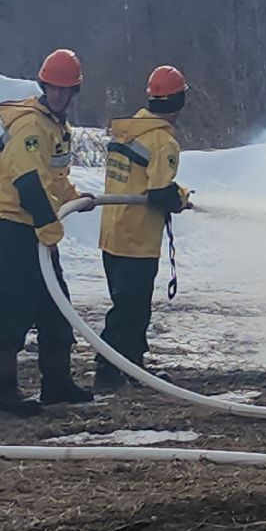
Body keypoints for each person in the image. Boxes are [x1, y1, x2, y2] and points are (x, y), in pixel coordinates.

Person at [0, 48, 94, 416]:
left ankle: (57, 382)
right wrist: (47, 223)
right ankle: (2, 390)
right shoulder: (32, 126)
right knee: (10, 302)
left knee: (54, 304)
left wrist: (76, 199)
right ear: (43, 85)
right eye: (54, 88)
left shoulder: (55, 126)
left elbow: (53, 177)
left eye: (67, 90)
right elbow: (28, 181)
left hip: (38, 222)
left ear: (75, 91)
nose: (60, 95)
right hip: (17, 223)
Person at [93, 65, 193, 391]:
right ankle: (107, 372)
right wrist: (180, 198)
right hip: (136, 238)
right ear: (180, 102)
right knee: (129, 311)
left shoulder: (129, 126)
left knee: (132, 308)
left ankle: (134, 367)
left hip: (113, 231)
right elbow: (160, 192)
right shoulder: (163, 142)